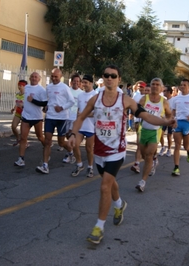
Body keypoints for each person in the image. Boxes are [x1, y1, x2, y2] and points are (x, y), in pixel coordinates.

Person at [68, 65, 176, 244]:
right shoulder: (95, 99)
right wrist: (73, 133)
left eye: (113, 76)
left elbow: (147, 116)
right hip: (100, 150)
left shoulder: (126, 101)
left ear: (119, 79)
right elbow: (80, 118)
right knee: (110, 184)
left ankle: (99, 228)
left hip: (116, 151)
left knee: (104, 186)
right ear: (102, 79)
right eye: (106, 76)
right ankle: (119, 205)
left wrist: (165, 121)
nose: (109, 78)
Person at [35, 68, 75, 174]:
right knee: (47, 141)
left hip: (62, 117)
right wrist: (46, 107)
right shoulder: (48, 87)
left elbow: (71, 101)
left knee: (61, 142)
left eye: (56, 76)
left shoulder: (65, 87)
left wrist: (61, 107)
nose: (53, 78)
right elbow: (49, 100)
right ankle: (45, 165)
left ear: (60, 77)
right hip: (50, 117)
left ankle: (71, 152)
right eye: (52, 76)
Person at [136, 78, 171, 192]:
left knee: (149, 154)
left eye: (157, 84)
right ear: (150, 86)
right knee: (143, 155)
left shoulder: (164, 102)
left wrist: (168, 121)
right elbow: (136, 110)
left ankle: (143, 182)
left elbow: (169, 115)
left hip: (155, 132)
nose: (155, 86)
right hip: (143, 130)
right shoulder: (144, 99)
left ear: (161, 87)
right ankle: (154, 160)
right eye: (153, 84)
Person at [14, 72, 47, 167]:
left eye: (36, 77)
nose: (33, 78)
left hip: (37, 117)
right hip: (26, 116)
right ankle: (21, 158)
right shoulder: (26, 87)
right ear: (29, 78)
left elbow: (44, 103)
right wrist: (23, 105)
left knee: (40, 137)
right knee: (23, 137)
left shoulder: (41, 90)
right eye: (32, 76)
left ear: (39, 79)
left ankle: (47, 149)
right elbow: (24, 100)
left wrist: (32, 100)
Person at [71, 74, 97, 177]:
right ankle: (79, 164)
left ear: (91, 83)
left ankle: (90, 167)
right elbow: (79, 109)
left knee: (89, 149)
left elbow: (96, 113)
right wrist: (78, 116)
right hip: (81, 127)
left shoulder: (95, 95)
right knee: (74, 144)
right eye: (83, 82)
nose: (84, 84)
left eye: (86, 83)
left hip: (91, 127)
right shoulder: (80, 95)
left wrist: (83, 114)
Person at [65, 73, 83, 160]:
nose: (76, 82)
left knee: (72, 135)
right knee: (67, 135)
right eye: (74, 81)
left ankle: (70, 154)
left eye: (78, 81)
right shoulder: (67, 90)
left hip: (75, 118)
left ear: (80, 83)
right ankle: (70, 151)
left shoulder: (81, 93)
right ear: (71, 82)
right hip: (66, 116)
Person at [130, 81, 146, 173]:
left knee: (146, 145)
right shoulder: (136, 95)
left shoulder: (151, 98)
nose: (141, 88)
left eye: (142, 87)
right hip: (138, 121)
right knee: (139, 143)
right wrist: (132, 114)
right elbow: (133, 106)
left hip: (149, 124)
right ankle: (136, 164)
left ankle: (153, 159)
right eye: (139, 87)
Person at [159, 85, 175, 157]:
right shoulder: (163, 100)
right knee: (160, 134)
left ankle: (169, 149)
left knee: (169, 136)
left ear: (169, 92)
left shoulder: (174, 100)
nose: (163, 92)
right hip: (163, 120)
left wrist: (173, 118)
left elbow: (175, 110)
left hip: (171, 120)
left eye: (165, 91)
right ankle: (163, 147)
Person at [11, 80, 27, 146]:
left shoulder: (26, 95)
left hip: (25, 114)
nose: (19, 87)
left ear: (24, 86)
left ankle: (25, 143)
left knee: (23, 130)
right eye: (18, 85)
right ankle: (18, 139)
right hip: (18, 112)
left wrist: (23, 106)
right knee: (13, 127)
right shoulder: (17, 94)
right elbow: (17, 103)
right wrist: (13, 108)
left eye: (21, 85)